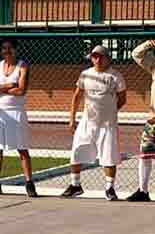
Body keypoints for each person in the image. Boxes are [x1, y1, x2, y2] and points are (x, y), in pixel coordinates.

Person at [62, 45, 126, 200]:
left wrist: (110, 112)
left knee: (109, 156)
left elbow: (122, 99)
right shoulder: (85, 75)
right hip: (87, 122)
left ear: (107, 58)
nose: (97, 59)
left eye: (100, 56)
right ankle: (75, 185)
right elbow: (77, 96)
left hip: (107, 125)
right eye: (94, 56)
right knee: (76, 151)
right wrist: (72, 119)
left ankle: (110, 189)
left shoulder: (116, 76)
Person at [0, 40, 37, 198]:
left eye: (10, 48)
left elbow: (21, 90)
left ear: (16, 50)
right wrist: (7, 86)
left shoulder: (22, 66)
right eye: (4, 48)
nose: (7, 51)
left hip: (17, 113)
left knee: (22, 148)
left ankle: (29, 183)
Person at [128, 39, 155, 202]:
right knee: (145, 153)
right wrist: (148, 44)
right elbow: (136, 54)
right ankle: (143, 191)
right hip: (153, 120)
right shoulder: (154, 66)